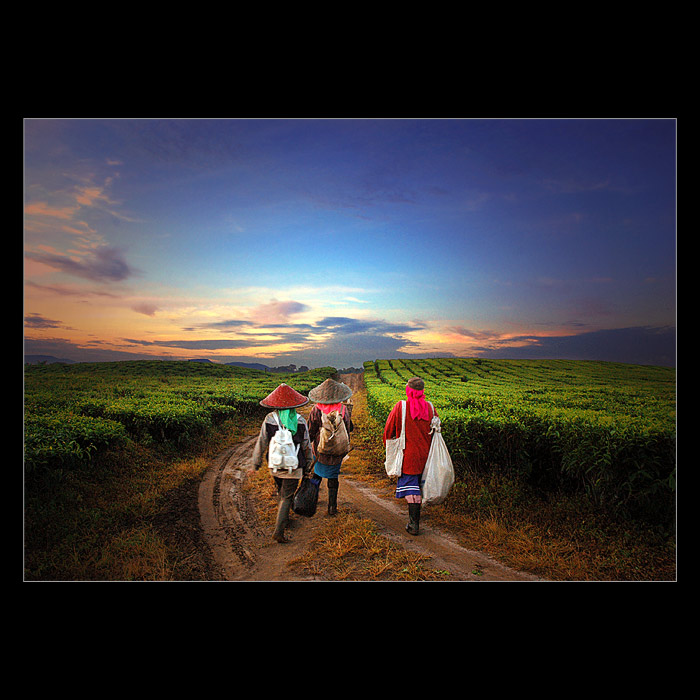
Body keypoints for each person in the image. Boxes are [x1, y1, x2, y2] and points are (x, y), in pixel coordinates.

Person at [252, 383, 314, 543]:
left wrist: (256, 461)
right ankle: (279, 531)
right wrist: (309, 463)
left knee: (282, 491)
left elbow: (262, 441)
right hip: (293, 465)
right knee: (287, 496)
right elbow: (306, 444)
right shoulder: (299, 420)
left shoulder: (269, 419)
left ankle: (284, 517)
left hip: (275, 463)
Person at [383, 376, 437, 535]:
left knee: (412, 490)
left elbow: (388, 430)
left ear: (409, 390)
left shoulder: (401, 406)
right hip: (426, 455)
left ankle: (414, 524)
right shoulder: (431, 408)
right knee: (419, 486)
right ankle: (415, 520)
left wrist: (388, 447)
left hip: (408, 456)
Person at [306, 378, 354, 516]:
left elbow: (311, 429)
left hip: (320, 450)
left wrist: (308, 446)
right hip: (337, 450)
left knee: (316, 475)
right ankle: (332, 507)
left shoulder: (316, 409)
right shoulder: (343, 409)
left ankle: (312, 500)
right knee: (333, 477)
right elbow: (348, 428)